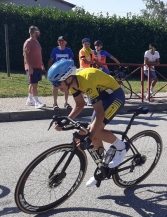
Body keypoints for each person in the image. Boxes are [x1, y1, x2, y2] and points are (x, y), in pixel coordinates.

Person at [47, 59, 128, 187]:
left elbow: (100, 113)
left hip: (115, 96)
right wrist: (65, 120)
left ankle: (121, 147)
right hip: (102, 96)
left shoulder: (86, 80)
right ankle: (103, 167)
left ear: (68, 78)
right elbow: (80, 104)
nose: (56, 86)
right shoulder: (73, 83)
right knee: (93, 132)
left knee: (95, 131)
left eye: (57, 83)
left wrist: (89, 138)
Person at [47, 35, 74, 109]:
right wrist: (49, 70)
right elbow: (51, 60)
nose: (61, 43)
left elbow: (71, 60)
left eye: (62, 41)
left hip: (66, 72)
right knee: (55, 87)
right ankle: (55, 103)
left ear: (65, 42)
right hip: (56, 73)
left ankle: (66, 102)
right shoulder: (55, 50)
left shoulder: (69, 50)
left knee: (67, 87)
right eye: (59, 41)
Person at [23, 25, 46, 109]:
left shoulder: (36, 42)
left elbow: (38, 55)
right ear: (33, 33)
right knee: (34, 84)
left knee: (32, 84)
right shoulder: (28, 42)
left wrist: (42, 64)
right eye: (37, 32)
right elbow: (25, 54)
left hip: (37, 66)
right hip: (32, 67)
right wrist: (29, 66)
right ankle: (37, 102)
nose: (39, 33)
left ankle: (30, 100)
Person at [78, 38, 102, 106]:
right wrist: (92, 62)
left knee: (88, 85)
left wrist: (99, 63)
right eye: (85, 44)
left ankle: (89, 101)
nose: (86, 45)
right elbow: (84, 61)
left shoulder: (91, 51)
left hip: (88, 69)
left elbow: (94, 58)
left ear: (90, 44)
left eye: (88, 44)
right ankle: (83, 101)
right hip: (82, 69)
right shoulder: (82, 51)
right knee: (83, 86)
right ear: (83, 44)